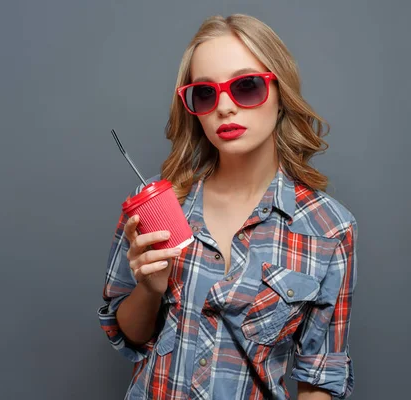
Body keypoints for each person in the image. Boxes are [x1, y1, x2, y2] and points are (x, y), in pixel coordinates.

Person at [98, 13, 358, 400]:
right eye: (204, 93)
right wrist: (150, 289)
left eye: (247, 87)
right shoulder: (156, 203)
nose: (224, 108)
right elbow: (128, 336)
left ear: (281, 93)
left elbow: (320, 378)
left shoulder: (329, 229)